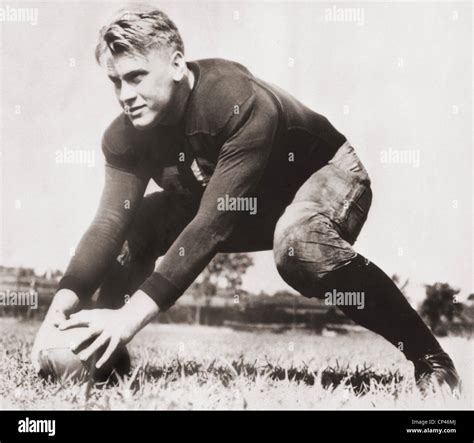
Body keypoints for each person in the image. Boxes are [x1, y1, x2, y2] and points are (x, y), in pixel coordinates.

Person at [32, 5, 460, 393]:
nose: (125, 95)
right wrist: (61, 307)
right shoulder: (125, 136)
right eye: (115, 81)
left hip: (318, 176)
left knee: (299, 244)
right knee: (131, 229)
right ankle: (107, 361)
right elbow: (108, 223)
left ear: (177, 64)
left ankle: (431, 358)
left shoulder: (236, 101)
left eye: (136, 76)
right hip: (232, 201)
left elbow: (213, 223)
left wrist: (129, 319)